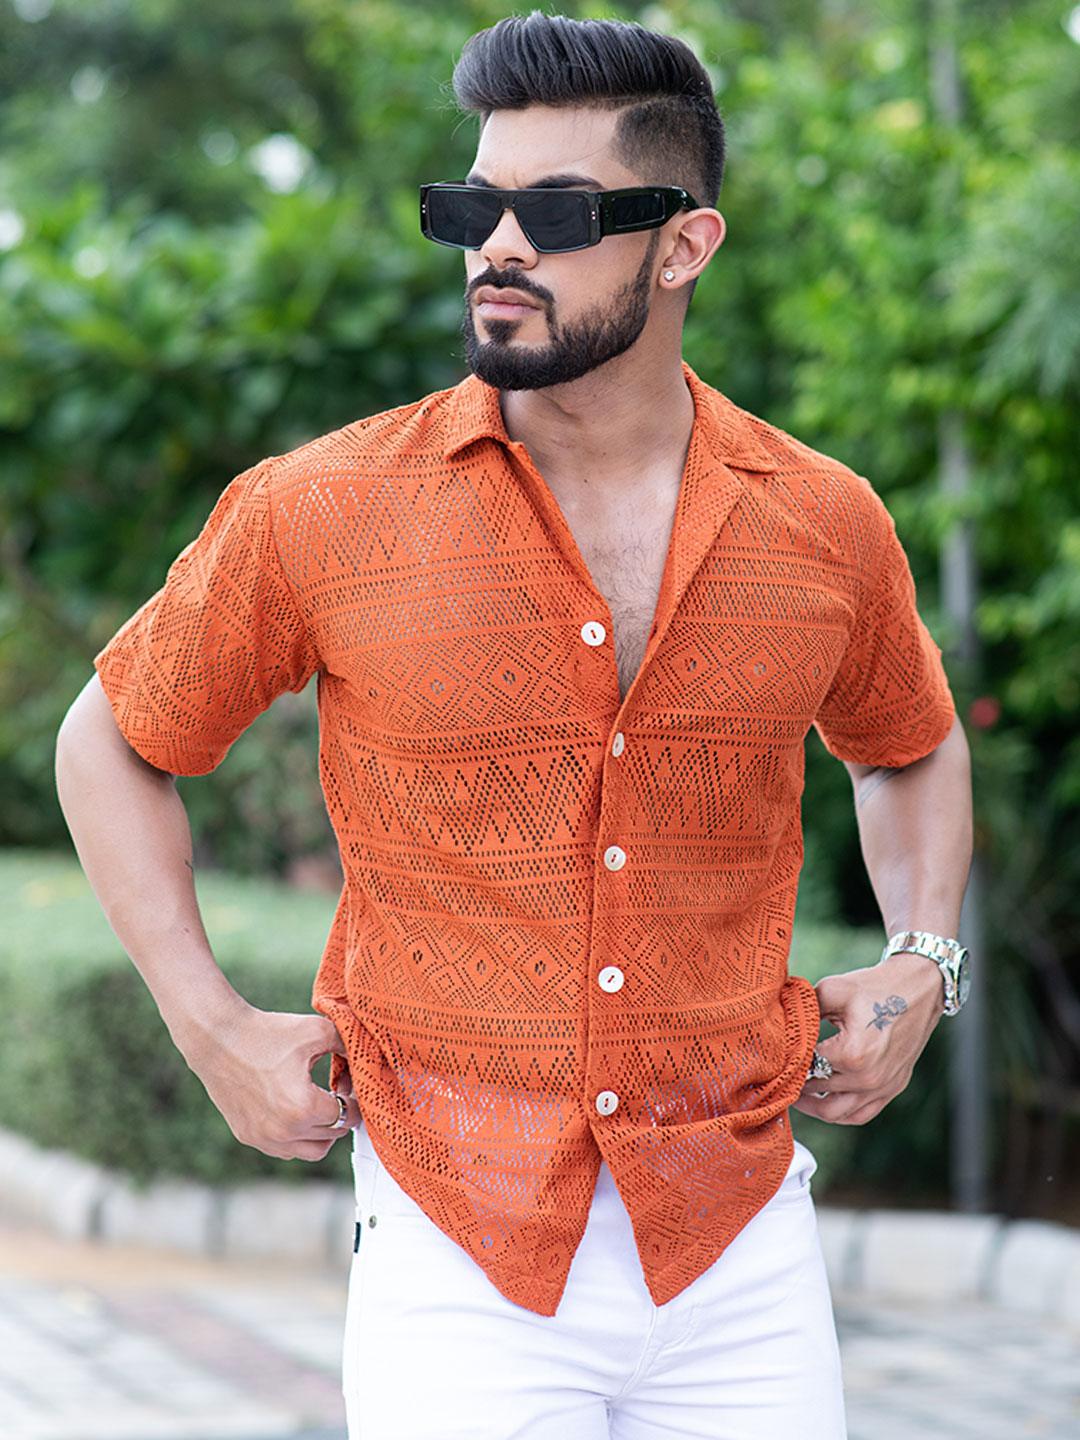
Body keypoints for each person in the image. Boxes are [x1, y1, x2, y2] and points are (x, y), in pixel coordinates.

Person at [55, 11, 974, 1440]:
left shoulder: (822, 521)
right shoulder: (324, 508)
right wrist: (209, 1024)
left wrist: (924, 960)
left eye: (556, 213)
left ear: (685, 245)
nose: (497, 246)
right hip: (456, 1247)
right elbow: (114, 740)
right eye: (471, 207)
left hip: (740, 1237)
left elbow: (907, 741)